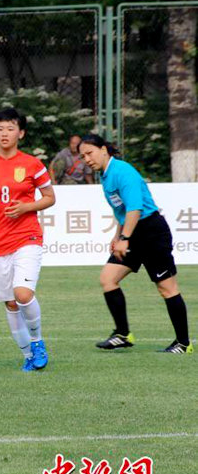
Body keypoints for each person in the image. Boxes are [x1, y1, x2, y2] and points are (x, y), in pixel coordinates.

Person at [78, 134, 191, 354]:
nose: (87, 159)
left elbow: (135, 208)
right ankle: (122, 334)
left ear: (103, 150)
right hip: (132, 232)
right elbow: (121, 210)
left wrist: (124, 238)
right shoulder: (105, 175)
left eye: (89, 153)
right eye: (83, 156)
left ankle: (183, 343)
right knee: (108, 279)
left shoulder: (122, 171)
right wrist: (117, 236)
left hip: (151, 232)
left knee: (167, 288)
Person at [0, 108, 56, 372]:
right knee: (10, 302)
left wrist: (27, 207)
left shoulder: (32, 164)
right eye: (0, 129)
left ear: (21, 133)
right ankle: (28, 354)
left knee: (22, 294)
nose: (5, 133)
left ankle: (38, 341)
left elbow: (50, 197)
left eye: (10, 128)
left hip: (27, 236)